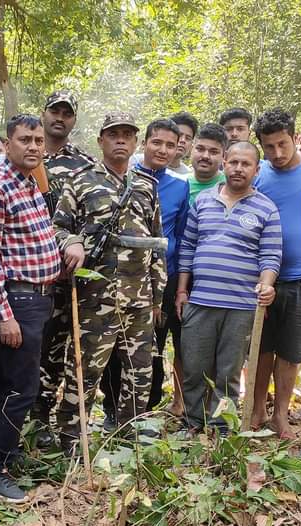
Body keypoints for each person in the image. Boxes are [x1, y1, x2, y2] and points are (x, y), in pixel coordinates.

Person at [53, 112, 164, 452]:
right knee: (84, 372)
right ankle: (72, 438)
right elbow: (57, 227)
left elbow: (158, 242)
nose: (120, 140)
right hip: (94, 298)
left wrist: (157, 294)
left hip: (139, 299)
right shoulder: (81, 181)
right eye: (113, 134)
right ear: (101, 140)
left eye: (127, 135)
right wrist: (69, 242)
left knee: (139, 372)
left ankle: (129, 434)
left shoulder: (147, 186)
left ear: (135, 143)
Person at [0, 114, 59, 502]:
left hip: (37, 297)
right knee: (20, 388)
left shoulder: (29, 184)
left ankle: (0, 451)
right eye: (25, 140)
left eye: (39, 140)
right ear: (7, 144)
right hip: (18, 299)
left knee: (10, 384)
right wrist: (4, 313)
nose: (35, 146)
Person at [176, 142, 281, 432]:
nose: (238, 168)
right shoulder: (203, 201)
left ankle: (223, 427)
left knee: (228, 374)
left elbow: (270, 255)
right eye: (233, 162)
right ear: (224, 163)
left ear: (256, 170)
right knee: (194, 369)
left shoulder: (266, 209)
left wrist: (267, 286)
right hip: (200, 301)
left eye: (246, 164)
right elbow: (187, 246)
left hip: (241, 306)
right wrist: (182, 291)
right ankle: (193, 423)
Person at [100, 119, 188, 427]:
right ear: (145, 144)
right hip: (119, 276)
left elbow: (178, 235)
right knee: (111, 349)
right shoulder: (124, 176)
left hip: (159, 280)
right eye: (157, 143)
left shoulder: (180, 185)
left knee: (151, 349)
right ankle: (111, 408)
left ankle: (142, 413)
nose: (162, 150)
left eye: (170, 145)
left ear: (178, 148)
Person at [250, 108, 301, 438]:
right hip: (261, 278)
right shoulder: (259, 175)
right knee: (260, 347)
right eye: (269, 147)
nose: (277, 154)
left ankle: (280, 413)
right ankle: (255, 410)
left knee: (291, 352)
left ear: (296, 138)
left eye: (283, 144)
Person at [32, 90, 96, 450]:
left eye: (67, 113)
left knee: (65, 350)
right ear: (43, 113)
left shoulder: (84, 165)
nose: (60, 117)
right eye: (54, 110)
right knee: (36, 350)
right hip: (30, 274)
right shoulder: (25, 154)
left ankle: (63, 422)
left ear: (74, 120)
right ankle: (34, 416)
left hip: (69, 276)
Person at [188, 123, 229, 205]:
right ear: (191, 149)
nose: (205, 156)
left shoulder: (230, 186)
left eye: (213, 152)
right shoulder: (180, 184)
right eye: (200, 149)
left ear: (224, 156)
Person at [167, 111, 198, 178]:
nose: (183, 140)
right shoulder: (149, 165)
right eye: (179, 135)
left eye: (188, 138)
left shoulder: (188, 176)